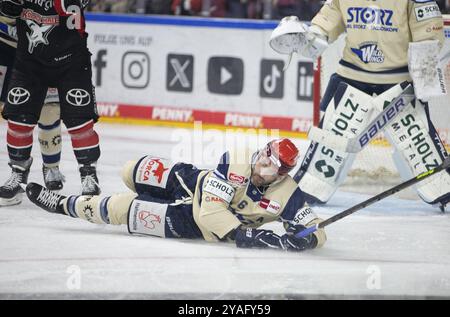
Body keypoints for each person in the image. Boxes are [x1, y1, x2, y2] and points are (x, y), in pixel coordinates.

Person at [269, 0, 450, 212]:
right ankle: (309, 190)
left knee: (421, 149)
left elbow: (428, 38)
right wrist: (306, 38)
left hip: (398, 84)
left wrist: (423, 82)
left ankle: (442, 191)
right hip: (352, 78)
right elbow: (325, 26)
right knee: (329, 149)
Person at [25, 138, 327, 251]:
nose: (262, 162)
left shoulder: (287, 193)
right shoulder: (237, 157)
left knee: (120, 207)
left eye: (271, 164)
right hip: (194, 182)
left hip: (190, 223)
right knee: (131, 170)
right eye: (264, 154)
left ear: (283, 173)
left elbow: (313, 225)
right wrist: (244, 236)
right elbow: (212, 207)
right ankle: (139, 185)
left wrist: (309, 238)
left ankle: (65, 204)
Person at [0, 0, 102, 205]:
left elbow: (74, 5)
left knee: (80, 123)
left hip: (71, 61)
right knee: (19, 120)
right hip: (29, 60)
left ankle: (88, 175)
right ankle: (18, 174)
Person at [0, 15, 65, 206]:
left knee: (50, 110)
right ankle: (18, 172)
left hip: (43, 48)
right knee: (17, 112)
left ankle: (51, 167)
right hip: (5, 46)